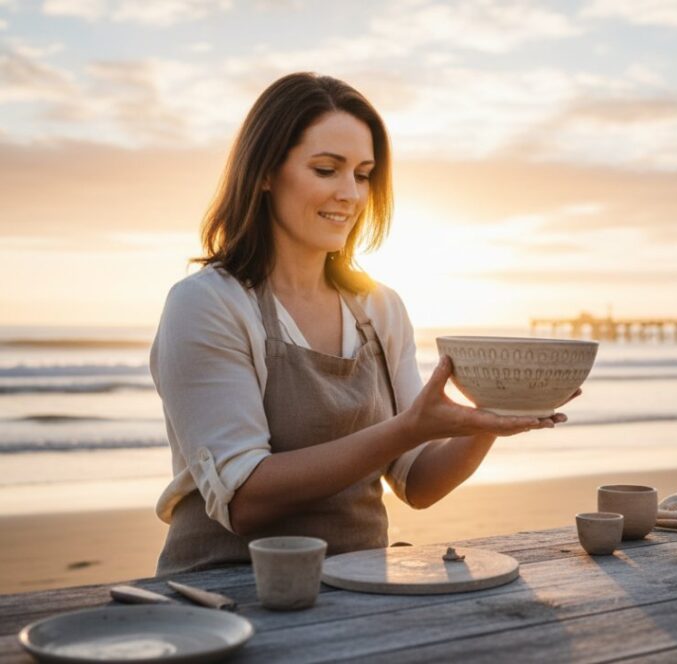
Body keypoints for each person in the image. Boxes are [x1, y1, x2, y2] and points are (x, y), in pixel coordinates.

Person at [151, 72, 574, 575]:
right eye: (327, 169)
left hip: (360, 588)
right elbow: (245, 499)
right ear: (265, 172)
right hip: (226, 596)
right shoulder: (208, 303)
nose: (350, 193)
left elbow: (416, 482)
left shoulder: (380, 307)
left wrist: (487, 421)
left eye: (363, 174)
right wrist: (407, 429)